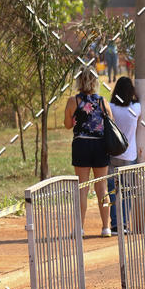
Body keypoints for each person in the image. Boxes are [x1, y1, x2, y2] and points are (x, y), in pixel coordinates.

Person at [64, 68, 113, 236]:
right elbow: (111, 123)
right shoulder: (102, 102)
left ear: (79, 81)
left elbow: (68, 124)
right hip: (100, 146)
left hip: (81, 145)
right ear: (95, 82)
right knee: (102, 187)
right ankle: (106, 227)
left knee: (82, 188)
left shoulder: (73, 101)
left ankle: (79, 228)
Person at [107, 76, 141, 234]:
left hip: (112, 154)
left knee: (113, 191)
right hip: (129, 156)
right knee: (127, 191)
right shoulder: (136, 108)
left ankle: (114, 224)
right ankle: (125, 224)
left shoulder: (111, 107)